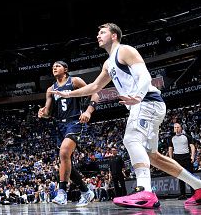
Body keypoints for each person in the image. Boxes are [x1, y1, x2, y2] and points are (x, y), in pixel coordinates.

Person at [52, 23, 201, 208]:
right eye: (98, 32)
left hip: (146, 100)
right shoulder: (108, 63)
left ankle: (145, 191)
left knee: (131, 139)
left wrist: (137, 96)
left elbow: (145, 77)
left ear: (114, 36)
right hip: (145, 104)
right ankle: (198, 186)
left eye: (102, 32)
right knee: (153, 157)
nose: (98, 35)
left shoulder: (125, 50)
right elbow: (94, 87)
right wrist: (68, 94)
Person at [37, 61, 97, 207]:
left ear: (65, 69)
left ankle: (62, 192)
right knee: (65, 162)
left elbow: (94, 93)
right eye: (53, 67)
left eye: (58, 66)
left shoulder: (75, 81)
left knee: (64, 153)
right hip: (60, 125)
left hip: (74, 122)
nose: (54, 68)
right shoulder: (51, 89)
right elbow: (48, 113)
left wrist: (88, 111)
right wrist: (42, 113)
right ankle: (85, 191)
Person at [169, 122, 197, 199]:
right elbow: (170, 148)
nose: (176, 129)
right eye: (175, 128)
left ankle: (194, 194)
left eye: (178, 127)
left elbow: (192, 146)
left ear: (181, 128)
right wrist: (171, 159)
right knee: (181, 177)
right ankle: (183, 194)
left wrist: (192, 156)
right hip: (177, 159)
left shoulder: (186, 136)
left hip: (186, 157)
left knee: (190, 176)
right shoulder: (172, 138)